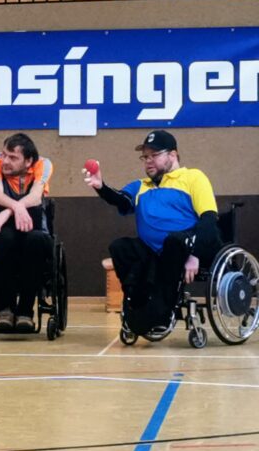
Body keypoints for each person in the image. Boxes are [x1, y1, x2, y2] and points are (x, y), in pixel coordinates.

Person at [82, 130, 222, 334]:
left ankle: (161, 315)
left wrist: (194, 254)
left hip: (186, 246)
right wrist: (101, 187)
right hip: (155, 253)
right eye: (145, 156)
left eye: (154, 155)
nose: (148, 161)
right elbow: (121, 199)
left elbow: (209, 221)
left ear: (172, 155)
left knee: (173, 242)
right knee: (120, 247)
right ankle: (136, 306)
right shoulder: (141, 186)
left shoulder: (193, 177)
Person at [0, 133, 54, 331]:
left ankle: (25, 312)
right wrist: (14, 209)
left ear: (28, 161)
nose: (5, 160)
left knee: (35, 242)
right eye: (4, 154)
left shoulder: (44, 164)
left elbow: (35, 197)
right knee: (4, 240)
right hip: (2, 229)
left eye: (12, 158)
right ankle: (4, 309)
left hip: (33, 226)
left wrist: (8, 211)